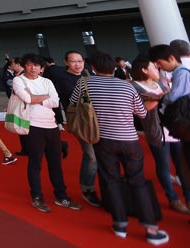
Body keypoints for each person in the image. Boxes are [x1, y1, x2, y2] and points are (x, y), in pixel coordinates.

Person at [70, 51, 167, 244]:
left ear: (93, 68)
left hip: (102, 140)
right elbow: (141, 113)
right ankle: (151, 229)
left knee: (111, 180)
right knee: (138, 181)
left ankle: (120, 224)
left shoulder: (84, 83)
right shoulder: (127, 86)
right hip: (130, 140)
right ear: (114, 68)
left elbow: (73, 105)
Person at [13, 53, 80, 213]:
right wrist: (43, 97)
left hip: (51, 126)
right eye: (29, 64)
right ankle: (37, 196)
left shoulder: (47, 81)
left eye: (37, 65)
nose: (33, 68)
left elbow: (55, 102)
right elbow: (27, 99)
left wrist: (35, 97)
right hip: (32, 126)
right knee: (35, 163)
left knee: (55, 163)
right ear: (24, 66)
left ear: (42, 68)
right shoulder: (19, 80)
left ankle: (61, 196)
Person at [131, 55, 190, 215]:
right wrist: (161, 98)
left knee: (182, 166)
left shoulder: (159, 84)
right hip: (156, 132)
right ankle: (173, 198)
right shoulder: (135, 87)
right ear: (144, 70)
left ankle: (188, 198)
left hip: (174, 130)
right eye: (154, 67)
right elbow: (140, 110)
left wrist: (163, 96)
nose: (158, 69)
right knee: (163, 166)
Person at [49, 51, 99, 207]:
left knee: (101, 154)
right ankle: (88, 188)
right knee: (91, 155)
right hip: (81, 122)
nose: (77, 64)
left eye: (80, 61)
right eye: (73, 61)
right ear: (66, 62)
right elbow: (65, 100)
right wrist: (58, 121)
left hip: (97, 120)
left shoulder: (88, 75)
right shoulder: (62, 79)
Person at [150, 43, 190, 207]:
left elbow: (173, 97)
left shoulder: (181, 73)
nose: (160, 67)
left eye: (160, 63)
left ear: (171, 58)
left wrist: (162, 99)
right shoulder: (180, 73)